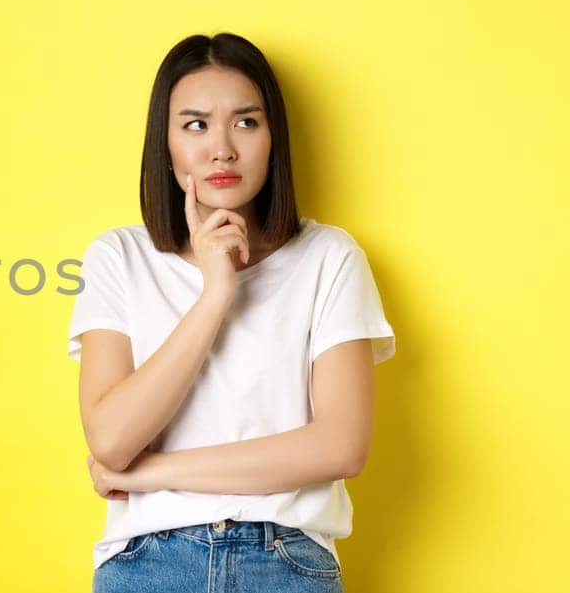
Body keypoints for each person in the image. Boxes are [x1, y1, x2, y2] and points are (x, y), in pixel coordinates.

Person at [67, 32, 396, 593]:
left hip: (287, 561)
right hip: (147, 563)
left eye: (246, 122)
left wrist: (153, 473)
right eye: (195, 124)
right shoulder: (118, 256)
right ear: (165, 143)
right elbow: (111, 439)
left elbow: (342, 445)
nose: (221, 148)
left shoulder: (328, 257)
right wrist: (215, 296)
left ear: (274, 140)